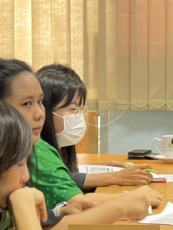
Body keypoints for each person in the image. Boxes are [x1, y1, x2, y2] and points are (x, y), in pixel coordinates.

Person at [0, 59, 166, 230]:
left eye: (40, 102)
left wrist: (58, 212)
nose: (39, 113)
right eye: (27, 103)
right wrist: (120, 206)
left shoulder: (23, 156)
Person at [35, 63, 154, 192]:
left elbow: (64, 173)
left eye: (81, 109)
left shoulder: (60, 148)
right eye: (73, 109)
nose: (79, 116)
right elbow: (59, 181)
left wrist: (101, 169)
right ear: (44, 110)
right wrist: (114, 177)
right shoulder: (36, 150)